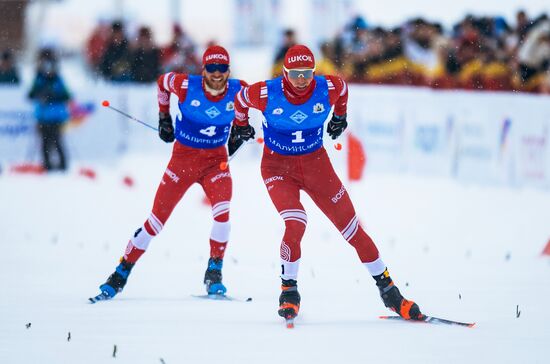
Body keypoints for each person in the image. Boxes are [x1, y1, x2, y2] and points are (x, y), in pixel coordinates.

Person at [230, 44, 422, 321]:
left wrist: (340, 116)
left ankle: (390, 292)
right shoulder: (265, 92)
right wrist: (240, 125)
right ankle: (289, 290)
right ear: (284, 72)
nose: (301, 79)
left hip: (315, 165)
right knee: (296, 221)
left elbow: (343, 89)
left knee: (353, 228)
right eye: (295, 73)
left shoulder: (327, 87)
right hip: (277, 168)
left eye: (307, 73)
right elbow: (240, 100)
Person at [93, 45, 248, 301]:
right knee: (156, 222)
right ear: (204, 69)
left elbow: (266, 102)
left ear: (228, 70)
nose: (217, 74)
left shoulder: (239, 89)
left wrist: (242, 129)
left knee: (223, 214)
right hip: (182, 162)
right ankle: (121, 272)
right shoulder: (186, 85)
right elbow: (162, 82)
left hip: (215, 162)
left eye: (222, 69)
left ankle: (214, 273)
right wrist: (164, 117)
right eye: (212, 68)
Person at [28, 48, 71, 171]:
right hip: (43, 117)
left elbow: (67, 96)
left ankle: (63, 165)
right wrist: (40, 94)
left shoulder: (58, 80)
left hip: (56, 117)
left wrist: (54, 96)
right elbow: (31, 94)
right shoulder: (39, 79)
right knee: (45, 143)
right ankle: (47, 166)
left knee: (57, 142)